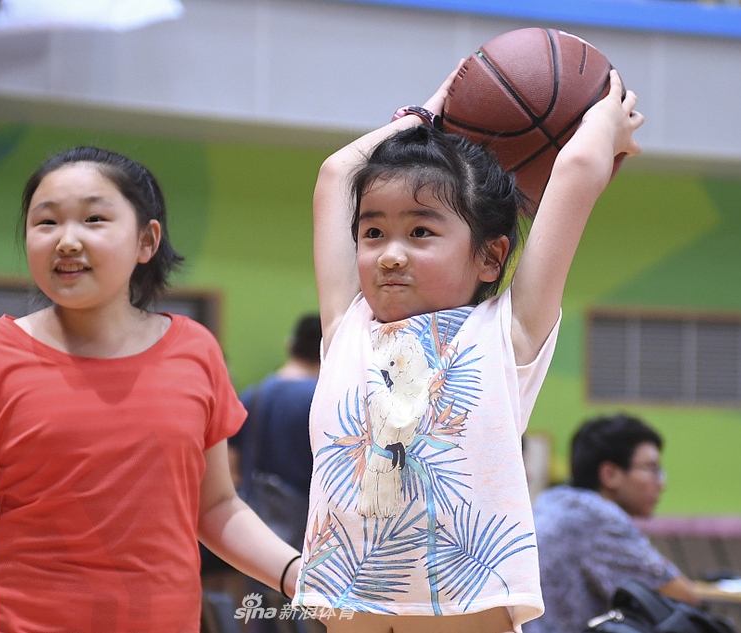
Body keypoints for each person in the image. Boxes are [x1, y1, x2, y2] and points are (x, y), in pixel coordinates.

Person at [291, 63, 643, 633]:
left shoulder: (507, 334)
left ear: (491, 256)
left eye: (421, 232)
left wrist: (604, 122)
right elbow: (337, 175)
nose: (390, 254)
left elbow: (577, 169)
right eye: (373, 232)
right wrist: (424, 119)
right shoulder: (346, 326)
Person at [0, 147, 303, 632]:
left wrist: (295, 574)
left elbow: (216, 507)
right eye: (46, 223)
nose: (67, 241)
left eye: (94, 219)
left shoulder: (196, 351)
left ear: (147, 240)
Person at [524, 413, 700, 633]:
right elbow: (684, 597)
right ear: (610, 474)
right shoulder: (597, 518)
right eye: (651, 468)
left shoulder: (554, 500)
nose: (662, 483)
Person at [231, 313, 324, 633]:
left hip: (256, 524)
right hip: (311, 530)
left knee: (261, 615)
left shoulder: (254, 394)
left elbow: (232, 466)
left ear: (290, 344)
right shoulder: (324, 398)